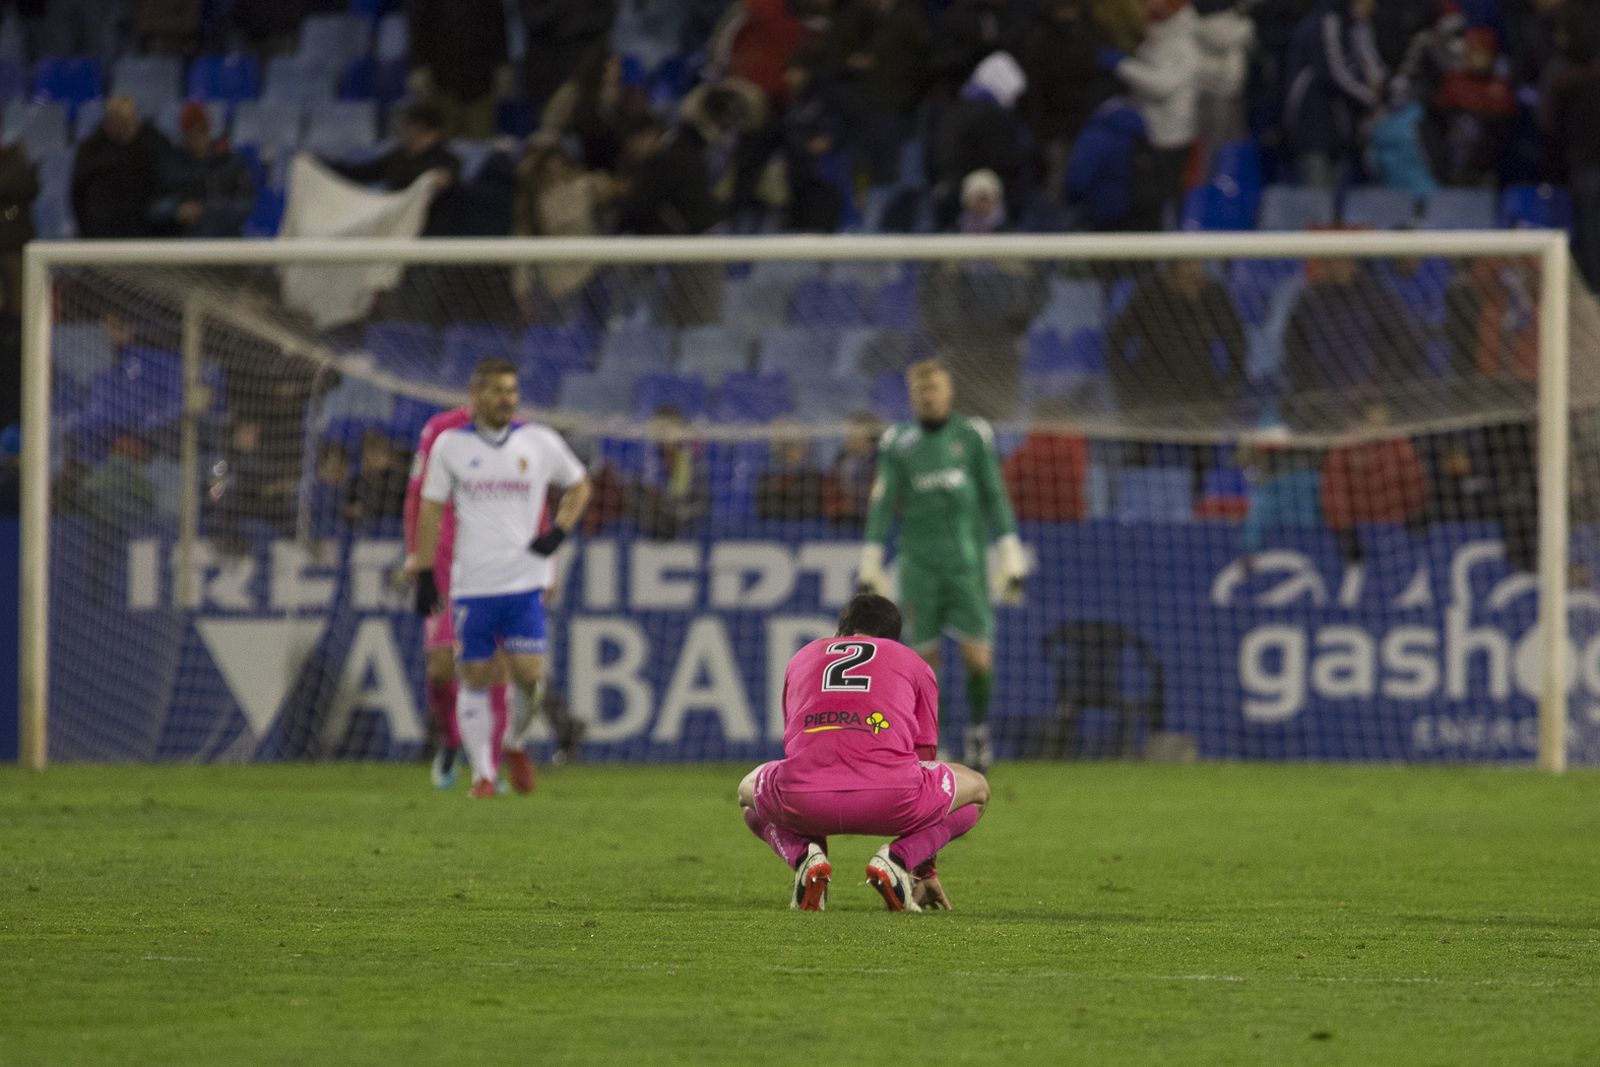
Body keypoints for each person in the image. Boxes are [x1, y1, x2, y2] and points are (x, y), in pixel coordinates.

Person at [737, 592, 990, 911]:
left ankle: (806, 858)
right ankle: (898, 860)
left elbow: (796, 747)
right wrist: (924, 869)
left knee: (747, 794)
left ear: (840, 631)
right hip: (892, 801)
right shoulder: (913, 662)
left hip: (805, 800)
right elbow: (925, 757)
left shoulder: (801, 657)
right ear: (893, 640)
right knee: (978, 790)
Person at [411, 360, 592, 798]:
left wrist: (558, 533)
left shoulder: (539, 441)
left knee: (529, 675)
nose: (506, 399)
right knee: (472, 675)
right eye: (496, 391)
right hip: (472, 583)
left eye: (511, 390)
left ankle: (514, 742)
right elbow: (429, 508)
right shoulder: (449, 445)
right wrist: (424, 570)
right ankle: (483, 775)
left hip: (524, 582)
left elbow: (579, 485)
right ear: (475, 396)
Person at [857, 360, 1027, 772]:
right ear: (911, 396)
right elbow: (883, 501)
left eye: (934, 388)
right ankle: (937, 745)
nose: (928, 396)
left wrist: (1009, 548)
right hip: (918, 567)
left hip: (966, 566)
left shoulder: (973, 435)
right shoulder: (897, 441)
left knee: (978, 658)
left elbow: (994, 493)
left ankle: (978, 733)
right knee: (925, 666)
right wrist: (872, 557)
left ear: (949, 391)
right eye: (920, 390)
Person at [406, 0, 510, 139]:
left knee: (480, 141)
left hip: (481, 79)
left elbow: (498, 23)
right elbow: (418, 23)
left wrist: (503, 64)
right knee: (442, 139)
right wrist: (418, 66)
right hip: (441, 77)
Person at [70, 96, 170, 239]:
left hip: (145, 234)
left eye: (132, 119)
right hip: (101, 234)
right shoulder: (91, 150)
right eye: (123, 122)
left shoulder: (154, 143)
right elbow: (78, 195)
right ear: (109, 123)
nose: (130, 126)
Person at [151, 102, 254, 238]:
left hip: (224, 238)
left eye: (200, 131)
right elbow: (154, 207)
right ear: (184, 135)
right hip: (182, 239)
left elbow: (246, 203)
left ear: (207, 131)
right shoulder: (172, 165)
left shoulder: (229, 162)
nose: (196, 138)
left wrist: (210, 211)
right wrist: (177, 209)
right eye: (190, 133)